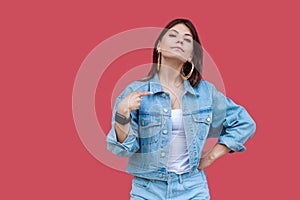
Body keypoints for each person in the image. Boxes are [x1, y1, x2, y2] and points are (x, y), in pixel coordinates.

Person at [106, 18, 256, 200]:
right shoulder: (134, 91)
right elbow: (121, 150)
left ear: (191, 56)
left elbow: (244, 123)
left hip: (193, 188)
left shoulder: (205, 93)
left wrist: (212, 156)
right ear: (159, 46)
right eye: (173, 35)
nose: (180, 40)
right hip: (147, 189)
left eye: (187, 39)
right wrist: (123, 114)